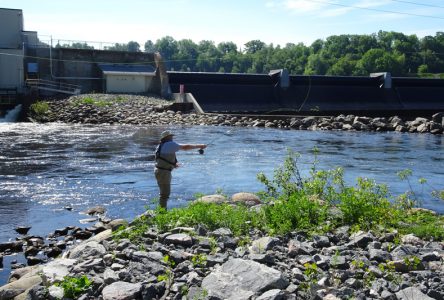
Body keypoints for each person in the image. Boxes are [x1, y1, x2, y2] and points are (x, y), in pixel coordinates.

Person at [154, 130, 206, 209]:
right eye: (171, 136)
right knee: (165, 194)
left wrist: (174, 164)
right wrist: (200, 146)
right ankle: (162, 213)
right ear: (167, 137)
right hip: (164, 172)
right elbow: (185, 147)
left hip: (160, 171)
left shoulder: (161, 145)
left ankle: (162, 211)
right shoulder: (169, 144)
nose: (172, 137)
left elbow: (163, 157)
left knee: (163, 193)